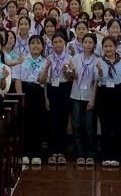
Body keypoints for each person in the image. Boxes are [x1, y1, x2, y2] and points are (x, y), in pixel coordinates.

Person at [14, 35, 49, 165]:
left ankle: (36, 154)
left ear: (42, 47)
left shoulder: (45, 61)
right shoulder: (22, 60)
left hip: (38, 92)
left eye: (38, 43)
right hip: (25, 91)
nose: (35, 46)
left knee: (37, 123)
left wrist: (47, 68)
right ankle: (24, 153)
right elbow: (18, 79)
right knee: (25, 123)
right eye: (32, 43)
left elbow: (43, 81)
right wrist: (20, 96)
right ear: (28, 46)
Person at [96, 36, 121, 166]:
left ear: (115, 47)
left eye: (111, 46)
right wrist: (100, 71)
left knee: (117, 126)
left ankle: (116, 155)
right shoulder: (99, 61)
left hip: (118, 93)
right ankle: (106, 155)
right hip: (104, 93)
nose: (108, 48)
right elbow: (97, 79)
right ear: (102, 48)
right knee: (105, 125)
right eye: (106, 46)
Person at [69, 32, 102, 165]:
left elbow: (96, 81)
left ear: (94, 45)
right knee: (77, 125)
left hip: (89, 95)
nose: (87, 45)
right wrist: (72, 71)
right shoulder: (76, 58)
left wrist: (93, 99)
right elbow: (74, 77)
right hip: (76, 95)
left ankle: (91, 154)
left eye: (90, 42)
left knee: (90, 126)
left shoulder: (97, 60)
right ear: (82, 44)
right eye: (85, 42)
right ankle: (79, 154)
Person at [44, 33, 74, 164]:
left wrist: (66, 73)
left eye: (60, 41)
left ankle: (61, 152)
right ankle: (52, 151)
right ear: (52, 44)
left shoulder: (70, 58)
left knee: (63, 121)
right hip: (52, 89)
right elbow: (45, 81)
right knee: (52, 121)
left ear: (65, 43)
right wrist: (46, 97)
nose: (58, 44)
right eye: (55, 42)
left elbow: (72, 79)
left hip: (65, 88)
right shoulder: (49, 58)